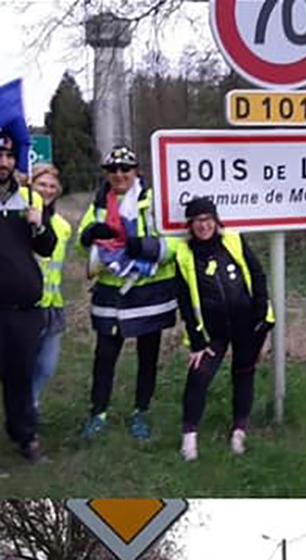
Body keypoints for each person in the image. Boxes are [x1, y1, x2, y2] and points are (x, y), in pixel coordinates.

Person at [77, 145, 178, 442]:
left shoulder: (156, 200)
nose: (119, 175)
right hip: (111, 291)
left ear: (137, 171)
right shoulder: (99, 200)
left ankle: (140, 413)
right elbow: (85, 244)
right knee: (105, 355)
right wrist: (89, 236)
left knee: (148, 357)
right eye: (113, 170)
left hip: (150, 291)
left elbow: (175, 244)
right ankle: (98, 413)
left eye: (125, 169)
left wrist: (143, 248)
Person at [171, 196, 273, 461]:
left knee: (243, 375)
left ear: (216, 221)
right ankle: (189, 439)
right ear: (190, 225)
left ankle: (239, 432)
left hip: (247, 325)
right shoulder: (184, 254)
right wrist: (195, 342)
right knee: (198, 377)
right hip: (213, 333)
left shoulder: (234, 240)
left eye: (207, 219)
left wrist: (262, 317)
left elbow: (258, 275)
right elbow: (184, 299)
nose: (203, 225)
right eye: (197, 221)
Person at [0, 128, 56, 463]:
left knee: (20, 377)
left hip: (22, 311)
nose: (3, 162)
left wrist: (39, 224)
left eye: (8, 156)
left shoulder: (29, 199)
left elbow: (46, 248)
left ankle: (26, 437)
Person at [26, 163, 69, 414]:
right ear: (31, 186)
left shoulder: (63, 225)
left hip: (53, 303)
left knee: (47, 365)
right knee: (22, 363)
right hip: (26, 304)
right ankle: (26, 407)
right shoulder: (19, 218)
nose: (47, 190)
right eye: (42, 184)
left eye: (52, 186)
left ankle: (30, 400)